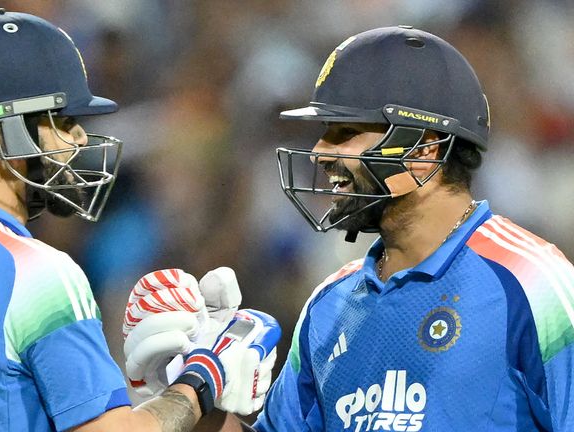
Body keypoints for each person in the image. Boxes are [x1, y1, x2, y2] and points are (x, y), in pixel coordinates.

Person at [122, 26, 574, 431]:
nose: (319, 153)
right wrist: (197, 394)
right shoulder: (330, 304)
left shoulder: (532, 282)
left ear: (423, 149)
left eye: (344, 132)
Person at [0, 9, 280, 432]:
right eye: (66, 121)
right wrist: (201, 377)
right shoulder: (37, 273)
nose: (79, 139)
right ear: (10, 132)